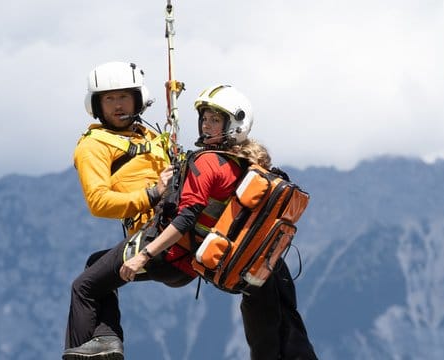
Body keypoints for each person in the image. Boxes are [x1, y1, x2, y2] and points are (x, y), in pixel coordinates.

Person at [63, 85, 317, 360]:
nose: (206, 125)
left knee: (86, 285)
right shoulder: (251, 167)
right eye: (204, 118)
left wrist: (144, 254)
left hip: (168, 254)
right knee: (272, 301)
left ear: (232, 125)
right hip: (206, 261)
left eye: (214, 120)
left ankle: (101, 344)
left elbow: (186, 217)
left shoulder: (206, 162)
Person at [75, 61, 173, 238]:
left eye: (124, 97)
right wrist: (152, 194)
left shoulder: (151, 136)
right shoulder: (93, 145)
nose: (117, 106)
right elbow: (98, 201)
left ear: (137, 100)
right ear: (97, 105)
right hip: (148, 234)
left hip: (178, 218)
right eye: (109, 99)